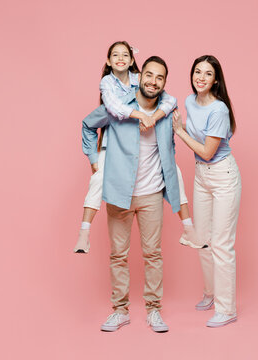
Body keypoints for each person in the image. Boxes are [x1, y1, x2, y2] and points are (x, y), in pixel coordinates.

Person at [74, 41, 203, 254]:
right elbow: (112, 108)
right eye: (115, 55)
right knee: (98, 179)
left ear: (134, 62)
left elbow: (169, 99)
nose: (121, 59)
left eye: (125, 55)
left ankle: (188, 228)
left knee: (174, 174)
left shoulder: (141, 82)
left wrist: (155, 117)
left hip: (146, 177)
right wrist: (94, 158)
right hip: (113, 149)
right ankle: (84, 232)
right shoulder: (108, 84)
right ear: (108, 60)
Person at [82, 56, 178, 332]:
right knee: (118, 255)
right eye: (149, 75)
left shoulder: (166, 110)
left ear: (164, 83)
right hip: (119, 193)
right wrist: (94, 162)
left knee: (153, 254)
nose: (153, 81)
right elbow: (89, 124)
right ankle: (120, 310)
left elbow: (169, 144)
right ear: (140, 76)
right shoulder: (118, 108)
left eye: (160, 78)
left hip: (151, 194)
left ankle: (154, 310)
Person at [172, 55, 242, 327]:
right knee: (202, 238)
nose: (201, 77)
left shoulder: (219, 110)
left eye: (207, 73)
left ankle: (227, 309)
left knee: (222, 244)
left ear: (216, 80)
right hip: (201, 175)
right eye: (197, 71)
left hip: (223, 175)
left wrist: (179, 131)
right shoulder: (190, 101)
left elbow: (207, 151)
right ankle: (211, 294)